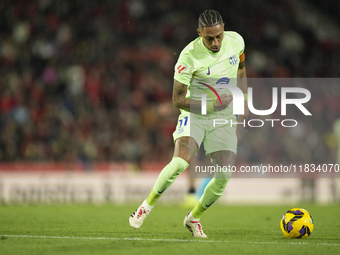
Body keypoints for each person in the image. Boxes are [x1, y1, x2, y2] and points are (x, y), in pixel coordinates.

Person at [129, 9, 248, 238]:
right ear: (199, 33)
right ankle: (145, 206)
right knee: (179, 163)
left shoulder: (237, 41)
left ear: (224, 28)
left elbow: (241, 69)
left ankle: (193, 219)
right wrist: (212, 104)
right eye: (209, 38)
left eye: (219, 36)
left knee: (223, 175)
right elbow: (178, 99)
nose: (215, 42)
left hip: (223, 117)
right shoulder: (188, 56)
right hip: (195, 113)